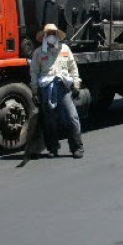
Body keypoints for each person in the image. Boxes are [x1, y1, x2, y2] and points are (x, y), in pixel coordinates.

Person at [29, 23, 84, 158]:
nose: (51, 36)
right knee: (49, 120)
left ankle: (77, 147)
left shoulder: (65, 49)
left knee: (72, 117)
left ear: (57, 35)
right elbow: (34, 72)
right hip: (46, 89)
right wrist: (35, 91)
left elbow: (73, 68)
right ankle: (53, 148)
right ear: (44, 36)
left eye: (53, 34)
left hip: (63, 88)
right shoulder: (38, 53)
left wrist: (76, 85)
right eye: (49, 34)